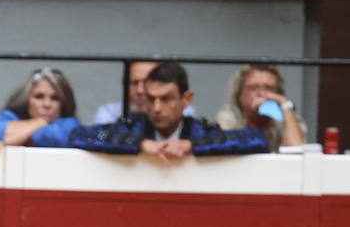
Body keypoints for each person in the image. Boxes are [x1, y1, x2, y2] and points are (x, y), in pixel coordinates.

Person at [68, 61, 268, 163]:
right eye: (150, 98)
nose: (156, 108)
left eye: (166, 99)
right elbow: (83, 134)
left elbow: (255, 138)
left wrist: (191, 145)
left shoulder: (200, 132)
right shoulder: (132, 129)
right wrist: (140, 143)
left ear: (186, 99)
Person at [0, 68, 82, 157]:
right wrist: (40, 122)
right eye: (39, 97)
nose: (47, 104)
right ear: (26, 100)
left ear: (64, 103)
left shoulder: (71, 124)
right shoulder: (9, 116)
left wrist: (19, 137)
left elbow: (53, 138)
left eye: (55, 98)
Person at [214, 63, 306, 152]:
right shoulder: (229, 115)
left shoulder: (287, 117)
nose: (261, 94)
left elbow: (296, 150)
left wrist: (285, 104)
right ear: (240, 94)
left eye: (269, 88)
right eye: (253, 88)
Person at [91, 59, 196, 125]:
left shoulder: (180, 109)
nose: (140, 91)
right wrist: (141, 143)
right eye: (134, 83)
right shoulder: (110, 112)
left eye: (146, 82)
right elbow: (95, 136)